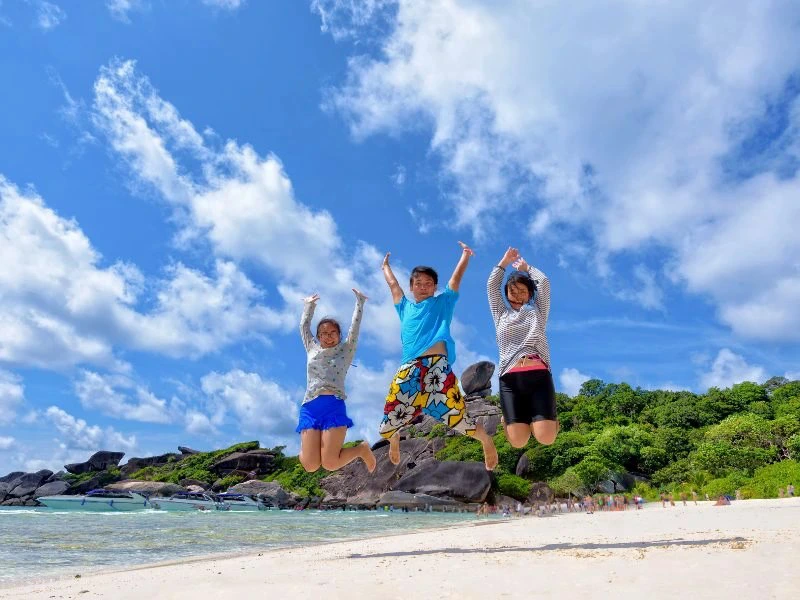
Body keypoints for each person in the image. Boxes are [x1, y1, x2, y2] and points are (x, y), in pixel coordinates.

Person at [379, 243, 498, 470]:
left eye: (428, 283)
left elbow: (455, 280)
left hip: (437, 368)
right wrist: (385, 266)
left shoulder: (443, 303)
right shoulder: (404, 307)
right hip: (409, 368)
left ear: (435, 287)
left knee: (457, 417)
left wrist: (465, 257)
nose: (423, 287)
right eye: (418, 283)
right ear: (412, 287)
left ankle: (485, 440)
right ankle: (394, 438)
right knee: (387, 424)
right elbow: (393, 285)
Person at [297, 289, 376, 473]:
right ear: (318, 337)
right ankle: (309, 450)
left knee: (330, 463)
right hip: (310, 407)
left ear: (339, 335)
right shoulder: (312, 348)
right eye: (324, 333)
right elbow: (304, 327)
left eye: (333, 332)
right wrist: (309, 305)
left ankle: (361, 449)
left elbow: (354, 330)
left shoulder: (345, 351)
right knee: (310, 466)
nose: (329, 336)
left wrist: (360, 303)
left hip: (333, 406)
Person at [488, 247, 557, 448]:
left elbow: (543, 283)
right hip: (510, 380)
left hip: (539, 377)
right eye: (513, 291)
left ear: (529, 293)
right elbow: (492, 286)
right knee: (518, 442)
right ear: (507, 293)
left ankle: (551, 420)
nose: (517, 295)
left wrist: (527, 268)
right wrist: (503, 262)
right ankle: (508, 421)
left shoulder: (537, 311)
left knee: (546, 439)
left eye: (522, 291)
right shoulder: (501, 314)